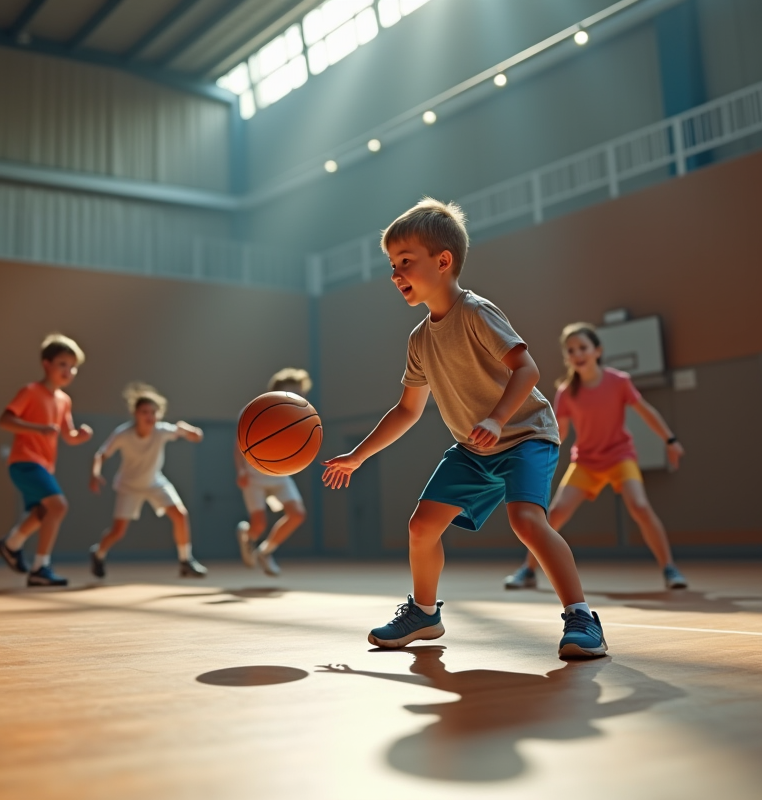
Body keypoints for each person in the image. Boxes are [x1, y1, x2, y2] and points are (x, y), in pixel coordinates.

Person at [322, 198, 607, 659]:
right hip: (474, 448)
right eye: (392, 265)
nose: (396, 274)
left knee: (527, 521)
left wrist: (497, 418)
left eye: (405, 262)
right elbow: (407, 410)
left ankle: (581, 617)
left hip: (526, 435)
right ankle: (424, 613)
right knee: (420, 527)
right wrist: (358, 455)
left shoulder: (476, 313)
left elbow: (528, 369)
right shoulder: (419, 339)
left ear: (443, 261)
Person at [504, 323, 688, 591]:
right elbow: (560, 432)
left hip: (620, 457)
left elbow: (645, 411)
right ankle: (528, 570)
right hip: (586, 463)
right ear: (566, 358)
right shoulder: (567, 392)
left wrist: (670, 441)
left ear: (597, 351)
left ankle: (670, 568)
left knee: (639, 506)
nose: (577, 354)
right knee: (553, 514)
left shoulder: (619, 381)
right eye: (571, 350)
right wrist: (531, 456)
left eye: (583, 348)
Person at [0, 334, 93, 587]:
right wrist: (37, 429)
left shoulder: (64, 400)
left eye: (73, 366)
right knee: (58, 506)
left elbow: (67, 435)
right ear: (46, 364)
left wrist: (79, 436)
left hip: (44, 465)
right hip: (24, 462)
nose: (68, 370)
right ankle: (40, 567)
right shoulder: (30, 391)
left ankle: (10, 544)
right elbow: (4, 420)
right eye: (62, 364)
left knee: (42, 511)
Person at [88, 383, 207, 578]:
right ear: (135, 414)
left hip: (154, 482)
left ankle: (186, 561)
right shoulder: (123, 434)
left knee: (180, 515)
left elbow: (197, 436)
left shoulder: (161, 430)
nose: (149, 416)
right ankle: (98, 553)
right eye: (144, 412)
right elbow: (101, 454)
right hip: (129, 486)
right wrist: (95, 473)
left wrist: (188, 429)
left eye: (153, 412)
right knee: (118, 532)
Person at [234, 368, 312, 577]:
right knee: (258, 524)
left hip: (280, 475)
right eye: (294, 391)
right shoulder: (253, 411)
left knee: (297, 514)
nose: (300, 396)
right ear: (278, 391)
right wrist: (241, 470)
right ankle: (247, 535)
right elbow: (238, 445)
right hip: (254, 476)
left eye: (301, 392)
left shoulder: (302, 416)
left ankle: (265, 552)